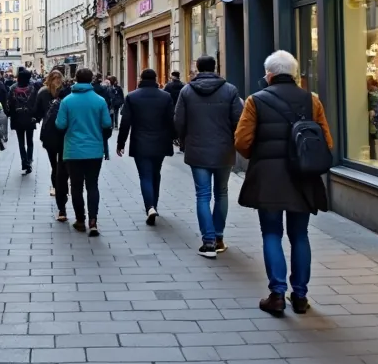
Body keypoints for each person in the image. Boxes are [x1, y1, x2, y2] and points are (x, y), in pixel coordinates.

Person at [234, 50, 331, 316]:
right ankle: (300, 295)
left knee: (272, 233)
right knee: (300, 235)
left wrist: (261, 155)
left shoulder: (255, 101)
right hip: (303, 177)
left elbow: (242, 142)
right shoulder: (313, 101)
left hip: (269, 178)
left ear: (270, 75)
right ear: (295, 74)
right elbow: (327, 142)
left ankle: (277, 294)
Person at [174, 56, 243, 259]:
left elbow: (178, 120)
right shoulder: (230, 90)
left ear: (197, 68)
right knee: (221, 192)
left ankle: (208, 241)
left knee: (202, 195)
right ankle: (219, 236)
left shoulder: (187, 91)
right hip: (223, 149)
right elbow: (239, 120)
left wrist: (184, 139)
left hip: (197, 149)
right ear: (215, 68)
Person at [55, 68, 113, 236]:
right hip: (94, 150)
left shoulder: (67, 101)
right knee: (93, 185)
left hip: (73, 151)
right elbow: (106, 123)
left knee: (76, 186)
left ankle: (80, 220)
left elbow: (60, 124)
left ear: (75, 79)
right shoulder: (100, 100)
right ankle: (93, 221)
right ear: (91, 80)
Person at [116, 68, 174, 225]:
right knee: (156, 173)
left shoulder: (132, 97)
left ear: (140, 78)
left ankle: (150, 207)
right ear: (155, 79)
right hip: (161, 141)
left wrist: (120, 143)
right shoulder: (165, 96)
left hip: (140, 142)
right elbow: (171, 120)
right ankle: (154, 204)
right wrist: (175, 138)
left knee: (145, 175)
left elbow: (125, 122)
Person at [34, 70, 70, 214]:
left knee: (53, 164)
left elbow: (36, 112)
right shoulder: (67, 92)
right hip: (63, 133)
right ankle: (63, 188)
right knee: (62, 163)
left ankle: (56, 187)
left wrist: (36, 119)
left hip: (49, 133)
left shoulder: (42, 92)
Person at [6, 67, 37, 174]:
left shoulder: (13, 88)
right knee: (30, 141)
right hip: (29, 117)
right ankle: (29, 160)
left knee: (21, 142)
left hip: (17, 117)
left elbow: (9, 102)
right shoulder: (32, 87)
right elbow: (36, 103)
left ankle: (24, 161)